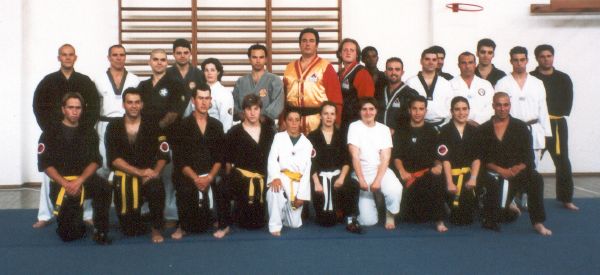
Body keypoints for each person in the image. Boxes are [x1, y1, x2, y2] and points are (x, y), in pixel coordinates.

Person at [32, 43, 99, 228]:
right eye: (64, 54)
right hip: (55, 136)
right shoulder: (48, 81)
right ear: (59, 58)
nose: (68, 57)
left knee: (82, 173)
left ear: (75, 58)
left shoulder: (85, 81)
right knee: (49, 173)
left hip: (80, 135)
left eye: (71, 55)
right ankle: (44, 215)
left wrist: (85, 130)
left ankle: (87, 214)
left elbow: (94, 108)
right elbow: (38, 106)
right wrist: (49, 131)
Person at [37, 92, 111, 244]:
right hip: (61, 183)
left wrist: (80, 181)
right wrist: (66, 184)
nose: (75, 111)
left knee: (104, 187)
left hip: (83, 181)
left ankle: (100, 229)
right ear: (63, 109)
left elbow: (96, 161)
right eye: (70, 107)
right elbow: (45, 164)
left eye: (78, 108)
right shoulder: (50, 132)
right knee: (69, 235)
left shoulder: (89, 132)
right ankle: (75, 221)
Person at [477, 92, 552, 236]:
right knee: (498, 217)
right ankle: (504, 208)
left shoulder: (520, 127)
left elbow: (528, 156)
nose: (502, 108)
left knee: (535, 178)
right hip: (494, 174)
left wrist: (516, 169)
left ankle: (538, 222)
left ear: (510, 106)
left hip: (515, 173)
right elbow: (481, 158)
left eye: (506, 105)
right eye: (498, 105)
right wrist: (500, 170)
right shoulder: (483, 129)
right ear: (493, 106)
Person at [105, 88, 168, 243]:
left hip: (148, 175)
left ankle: (156, 228)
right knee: (130, 230)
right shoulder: (113, 127)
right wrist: (139, 173)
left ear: (142, 105)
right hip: (125, 177)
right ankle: (137, 217)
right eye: (130, 102)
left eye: (137, 102)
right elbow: (114, 159)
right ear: (123, 105)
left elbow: (163, 154)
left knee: (156, 187)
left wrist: (154, 173)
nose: (133, 106)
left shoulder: (153, 125)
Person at [138, 49, 187, 224]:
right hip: (145, 139)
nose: (159, 62)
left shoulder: (176, 84)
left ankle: (169, 213)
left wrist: (155, 129)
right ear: (149, 62)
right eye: (155, 59)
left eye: (163, 60)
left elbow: (173, 113)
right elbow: (136, 111)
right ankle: (147, 210)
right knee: (147, 172)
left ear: (167, 63)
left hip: (169, 136)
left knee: (167, 175)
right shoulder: (142, 86)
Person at [170, 83, 225, 240]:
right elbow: (179, 159)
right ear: (193, 100)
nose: (203, 102)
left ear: (211, 101)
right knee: (185, 189)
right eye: (200, 98)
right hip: (189, 174)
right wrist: (196, 178)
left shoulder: (216, 125)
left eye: (207, 98)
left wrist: (209, 177)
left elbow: (220, 157)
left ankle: (219, 220)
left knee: (222, 184)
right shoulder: (181, 125)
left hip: (210, 173)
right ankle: (183, 225)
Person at [220, 94, 276, 237]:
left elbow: (276, 158)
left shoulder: (269, 132)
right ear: (243, 111)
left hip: (262, 179)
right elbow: (226, 159)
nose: (252, 113)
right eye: (249, 109)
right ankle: (224, 224)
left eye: (256, 109)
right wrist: (228, 179)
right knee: (222, 187)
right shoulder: (235, 132)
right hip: (241, 179)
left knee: (256, 224)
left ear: (260, 110)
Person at [530, 45, 577, 211]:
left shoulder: (563, 78)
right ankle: (522, 198)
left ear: (553, 57)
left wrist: (551, 114)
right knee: (529, 161)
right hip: (536, 125)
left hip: (556, 123)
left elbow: (567, 103)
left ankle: (566, 198)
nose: (546, 59)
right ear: (537, 58)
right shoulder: (531, 78)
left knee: (563, 161)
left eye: (549, 56)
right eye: (542, 56)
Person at [393, 96, 447, 232]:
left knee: (438, 178)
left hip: (425, 174)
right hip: (406, 175)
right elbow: (397, 156)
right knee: (407, 217)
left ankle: (439, 220)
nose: (418, 112)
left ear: (426, 111)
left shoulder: (432, 131)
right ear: (409, 110)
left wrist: (438, 165)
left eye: (421, 109)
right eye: (414, 109)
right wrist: (401, 171)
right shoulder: (401, 131)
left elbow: (437, 156)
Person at [348, 97, 403, 229]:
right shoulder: (354, 127)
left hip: (381, 170)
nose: (368, 112)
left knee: (395, 189)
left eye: (371, 109)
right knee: (368, 221)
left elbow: (385, 157)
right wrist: (361, 179)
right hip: (361, 172)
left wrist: (378, 181)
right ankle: (376, 199)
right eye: (364, 109)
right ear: (360, 112)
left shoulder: (384, 129)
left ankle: (390, 213)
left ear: (376, 111)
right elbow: (355, 156)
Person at [308, 101, 362, 233]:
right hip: (320, 178)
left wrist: (342, 178)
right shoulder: (312, 136)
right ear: (320, 116)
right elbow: (310, 162)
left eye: (332, 114)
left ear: (335, 116)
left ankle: (351, 218)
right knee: (326, 222)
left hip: (338, 177)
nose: (329, 117)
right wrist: (316, 183)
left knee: (352, 184)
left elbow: (346, 160)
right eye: (325, 113)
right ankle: (334, 212)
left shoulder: (342, 135)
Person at [496, 46, 551, 167]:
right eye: (516, 60)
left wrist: (546, 134)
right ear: (511, 61)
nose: (519, 63)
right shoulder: (502, 83)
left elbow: (543, 110)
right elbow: (498, 110)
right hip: (511, 129)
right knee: (511, 167)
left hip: (534, 129)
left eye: (522, 59)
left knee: (533, 168)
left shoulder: (537, 83)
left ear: (527, 60)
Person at [282, 27, 343, 134]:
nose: (307, 44)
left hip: (318, 122)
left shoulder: (325, 67)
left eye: (311, 41)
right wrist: (282, 120)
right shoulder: (289, 67)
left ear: (317, 45)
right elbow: (282, 98)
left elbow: (336, 99)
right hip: (293, 121)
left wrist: (336, 123)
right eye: (304, 41)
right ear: (300, 44)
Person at [94, 44, 141, 180]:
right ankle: (101, 200)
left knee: (128, 162)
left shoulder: (134, 79)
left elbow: (138, 105)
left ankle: (125, 199)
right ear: (109, 57)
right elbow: (93, 106)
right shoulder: (98, 79)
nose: (118, 58)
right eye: (115, 55)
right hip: (105, 124)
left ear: (125, 57)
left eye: (122, 55)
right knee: (103, 164)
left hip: (128, 124)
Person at [266, 109, 313, 236]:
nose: (293, 123)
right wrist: (275, 177)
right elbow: (272, 159)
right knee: (274, 190)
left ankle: (282, 213)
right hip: (281, 177)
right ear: (285, 122)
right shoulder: (278, 137)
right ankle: (274, 225)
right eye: (290, 120)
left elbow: (307, 171)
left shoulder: (307, 143)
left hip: (297, 182)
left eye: (296, 120)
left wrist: (302, 195)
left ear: (300, 122)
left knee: (294, 224)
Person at [438, 97, 480, 225]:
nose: (461, 113)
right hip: (450, 174)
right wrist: (450, 182)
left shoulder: (474, 131)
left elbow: (476, 158)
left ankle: (488, 213)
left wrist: (473, 178)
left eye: (464, 109)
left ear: (468, 110)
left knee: (466, 220)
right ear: (451, 111)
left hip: (468, 175)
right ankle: (444, 208)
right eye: (457, 109)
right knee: (456, 219)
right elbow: (445, 160)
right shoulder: (444, 130)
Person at [232, 44, 284, 124]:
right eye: (254, 57)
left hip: (267, 127)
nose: (258, 61)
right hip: (245, 127)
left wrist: (262, 118)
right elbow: (233, 104)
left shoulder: (274, 80)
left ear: (266, 59)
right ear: (249, 59)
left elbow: (278, 103)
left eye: (261, 57)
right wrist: (243, 116)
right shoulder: (241, 82)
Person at [406, 47, 454, 130]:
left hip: (442, 126)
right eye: (427, 59)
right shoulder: (410, 82)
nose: (431, 62)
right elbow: (407, 107)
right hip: (417, 126)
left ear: (437, 62)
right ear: (421, 61)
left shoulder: (446, 83)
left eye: (434, 60)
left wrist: (445, 125)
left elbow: (451, 107)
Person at [337, 38, 375, 131]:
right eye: (345, 50)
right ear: (340, 53)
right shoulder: (339, 73)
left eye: (352, 50)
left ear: (357, 54)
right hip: (341, 120)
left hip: (355, 122)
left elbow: (366, 102)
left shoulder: (362, 73)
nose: (348, 52)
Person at [450, 51, 494, 126]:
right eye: (463, 63)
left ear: (475, 64)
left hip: (482, 126)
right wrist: (463, 121)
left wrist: (477, 121)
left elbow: (491, 106)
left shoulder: (486, 84)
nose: (467, 66)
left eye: (470, 62)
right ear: (458, 65)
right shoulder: (450, 84)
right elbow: (448, 106)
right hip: (457, 126)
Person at [375, 57, 418, 130]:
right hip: (380, 135)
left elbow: (415, 120)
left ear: (402, 72)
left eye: (397, 69)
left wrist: (397, 132)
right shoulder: (378, 92)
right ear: (385, 72)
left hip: (401, 137)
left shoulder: (411, 94)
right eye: (390, 69)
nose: (393, 72)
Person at [166, 38, 206, 118]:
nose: (182, 56)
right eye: (179, 53)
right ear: (173, 54)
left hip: (193, 121)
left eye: (186, 53)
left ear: (190, 53)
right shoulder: (166, 74)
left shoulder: (199, 74)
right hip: (170, 121)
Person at [200, 58, 234, 132]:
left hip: (216, 135)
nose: (209, 73)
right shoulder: (198, 91)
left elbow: (226, 123)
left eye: (212, 70)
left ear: (218, 72)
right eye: (206, 70)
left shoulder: (225, 94)